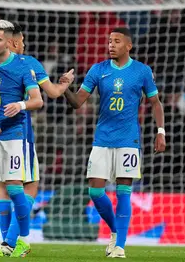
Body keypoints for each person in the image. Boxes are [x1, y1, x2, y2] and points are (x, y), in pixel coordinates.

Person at [61, 27, 166, 258]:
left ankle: (120, 247)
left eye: (116, 41)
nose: (111, 45)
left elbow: (155, 103)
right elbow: (78, 102)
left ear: (128, 45)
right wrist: (64, 89)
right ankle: (115, 231)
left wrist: (161, 132)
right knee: (96, 192)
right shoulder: (98, 70)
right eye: (109, 41)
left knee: (123, 193)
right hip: (102, 138)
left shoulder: (141, 71)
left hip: (129, 139)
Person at [0, 22, 74, 255]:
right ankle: (11, 241)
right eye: (23, 41)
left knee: (2, 187)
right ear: (15, 42)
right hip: (20, 134)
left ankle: (11, 242)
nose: (25, 45)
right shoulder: (27, 63)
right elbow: (53, 93)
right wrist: (65, 83)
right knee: (29, 185)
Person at [0, 20, 43, 258]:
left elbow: (38, 100)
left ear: (8, 42)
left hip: (14, 135)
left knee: (15, 189)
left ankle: (23, 240)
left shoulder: (23, 67)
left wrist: (21, 104)